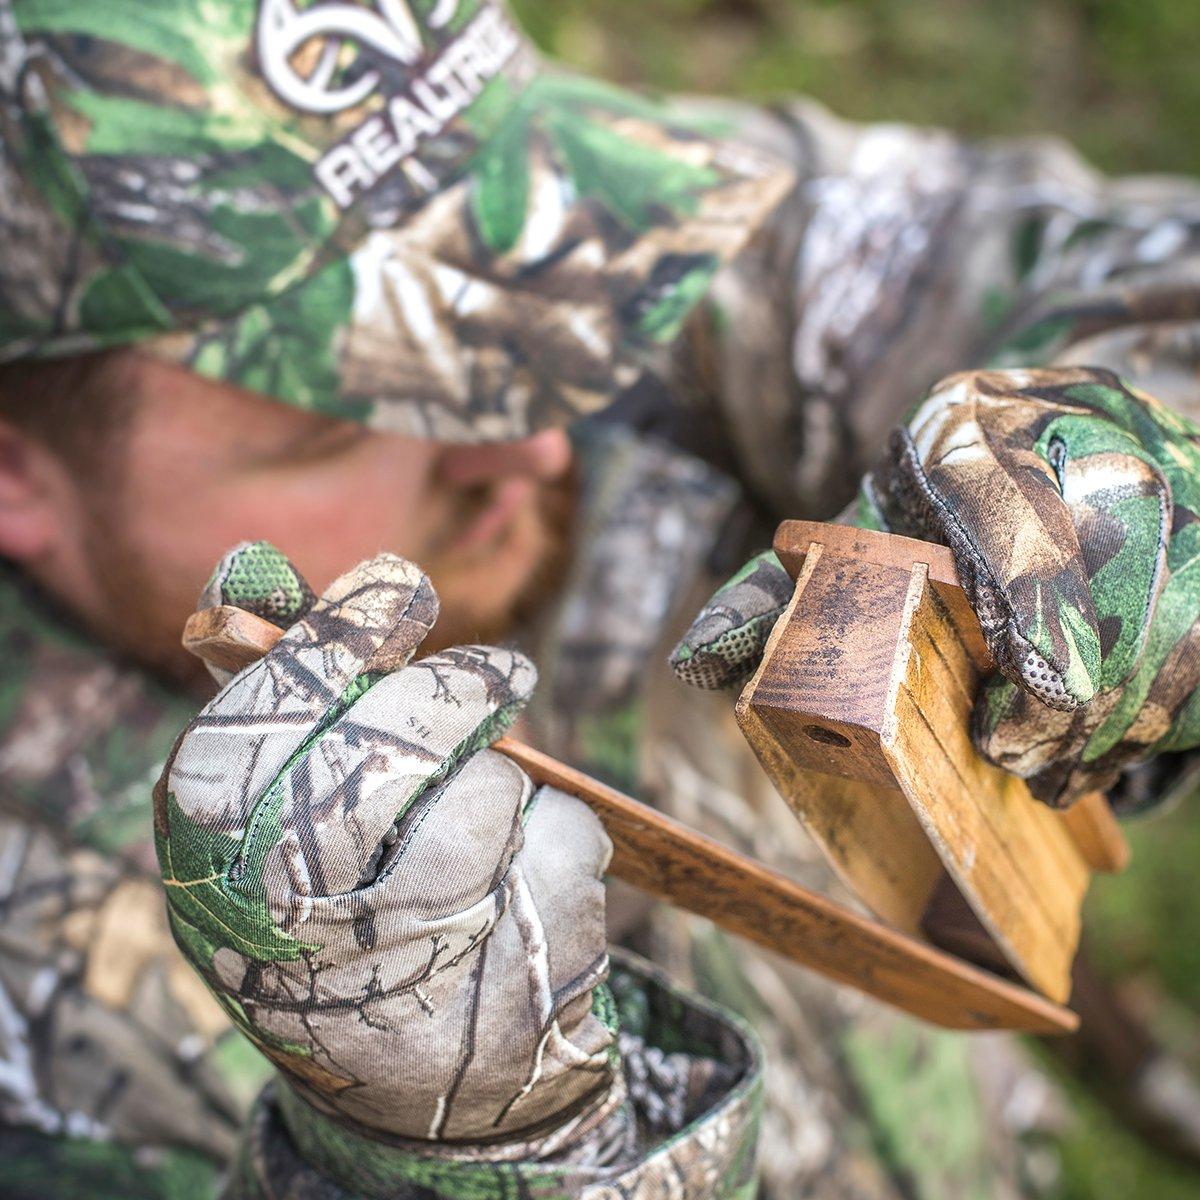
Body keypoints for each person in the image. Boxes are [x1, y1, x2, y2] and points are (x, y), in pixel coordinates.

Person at [2, 1, 1200, 1196]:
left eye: (531, 301)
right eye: (347, 418)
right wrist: (465, 1160)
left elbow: (1139, 264)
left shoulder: (569, 199)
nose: (537, 445)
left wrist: (1111, 470)